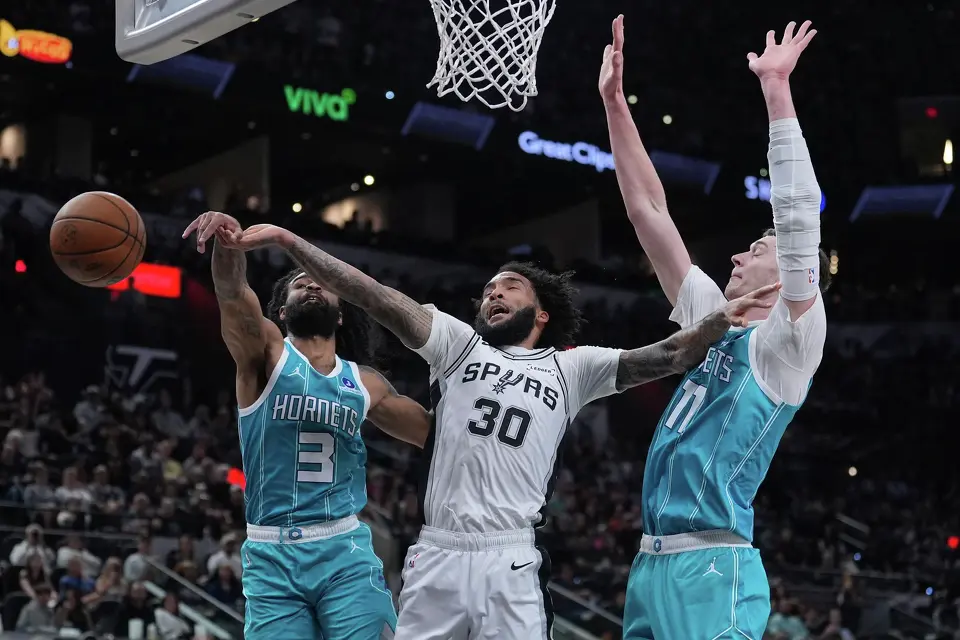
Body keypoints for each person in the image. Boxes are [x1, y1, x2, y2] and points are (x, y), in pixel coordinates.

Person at [186, 211, 778, 639]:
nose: (493, 294)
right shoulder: (457, 345)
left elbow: (668, 356)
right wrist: (292, 242)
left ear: (541, 312)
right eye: (488, 289)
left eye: (509, 287)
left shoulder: (574, 367)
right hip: (437, 552)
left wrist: (716, 324)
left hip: (510, 557)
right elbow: (376, 296)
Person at [599, 16, 827, 639]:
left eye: (756, 248)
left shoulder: (787, 348)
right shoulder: (713, 321)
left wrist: (776, 90)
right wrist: (615, 106)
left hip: (712, 565)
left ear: (789, 274)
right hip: (650, 563)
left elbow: (798, 216)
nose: (737, 255)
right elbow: (649, 210)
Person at [182, 212, 432, 640]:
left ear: (340, 314)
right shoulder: (264, 354)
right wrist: (228, 245)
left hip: (344, 548)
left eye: (321, 283)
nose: (312, 285)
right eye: (300, 283)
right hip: (271, 552)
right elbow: (233, 292)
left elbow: (435, 436)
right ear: (282, 312)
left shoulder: (366, 383)